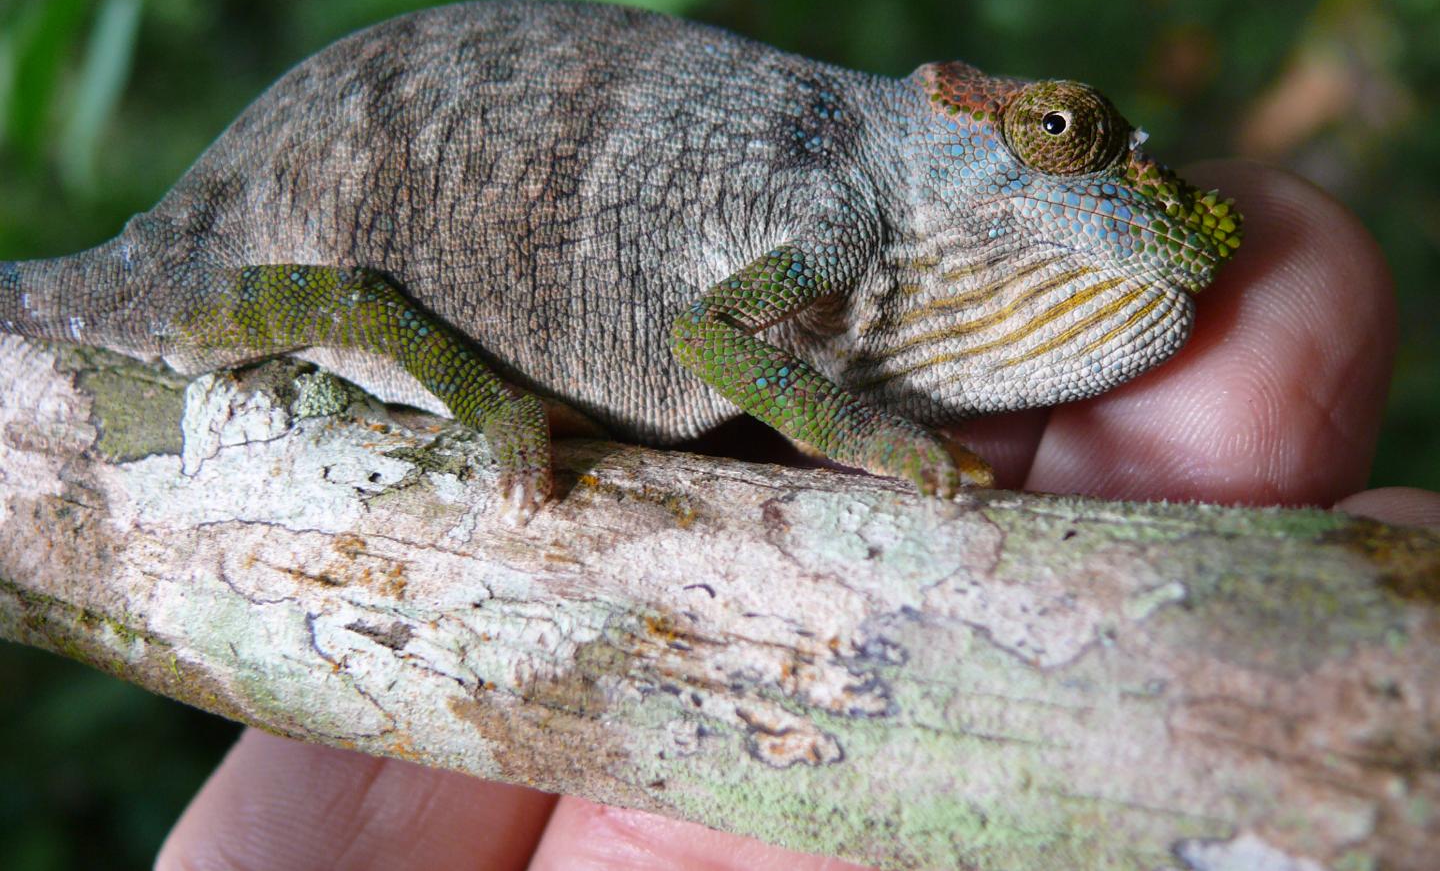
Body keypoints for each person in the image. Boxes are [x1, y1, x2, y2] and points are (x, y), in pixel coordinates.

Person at [155, 162, 1440, 871]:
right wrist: (859, 436)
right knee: (357, 305)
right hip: (281, 248)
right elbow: (703, 332)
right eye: (1059, 133)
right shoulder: (847, 206)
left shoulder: (877, 196)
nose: (1116, 180)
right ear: (965, 127)